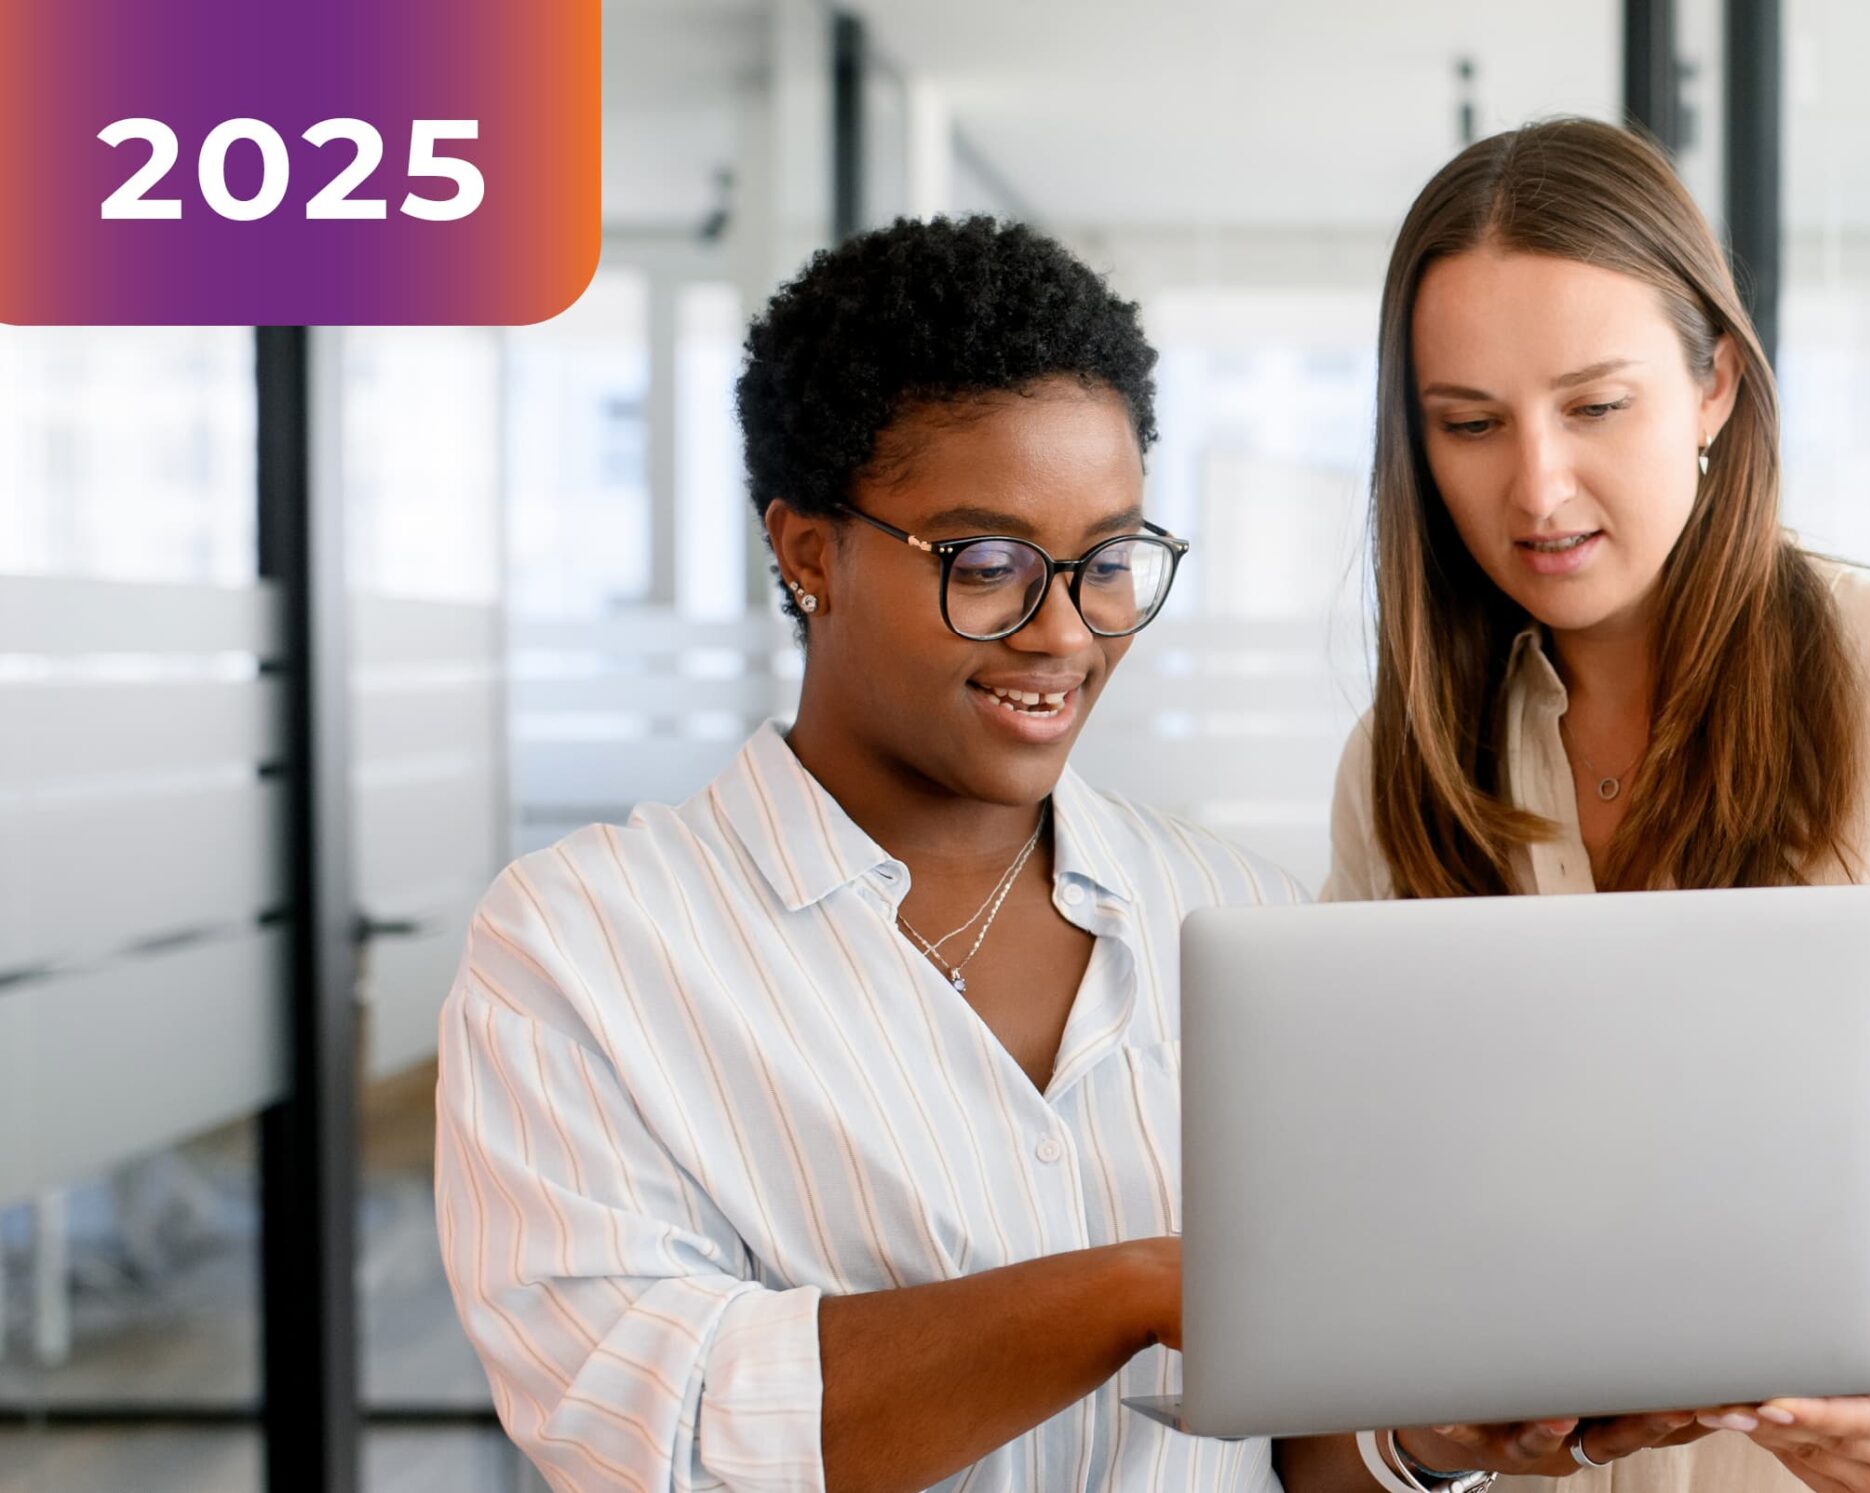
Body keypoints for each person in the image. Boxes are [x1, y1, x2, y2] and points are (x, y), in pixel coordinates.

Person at [1307, 120, 1870, 1493]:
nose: (1534, 487)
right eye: (1469, 423)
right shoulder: (1402, 763)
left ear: (1714, 385)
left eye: (1596, 406)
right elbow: (1386, 1227)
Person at [435, 216, 1307, 1492]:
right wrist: (1129, 1287)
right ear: (806, 555)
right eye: (987, 561)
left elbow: (1306, 1436)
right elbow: (657, 1431)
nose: (1062, 631)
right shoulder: (581, 948)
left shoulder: (1238, 914)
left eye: (1108, 560)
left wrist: (1433, 1438)